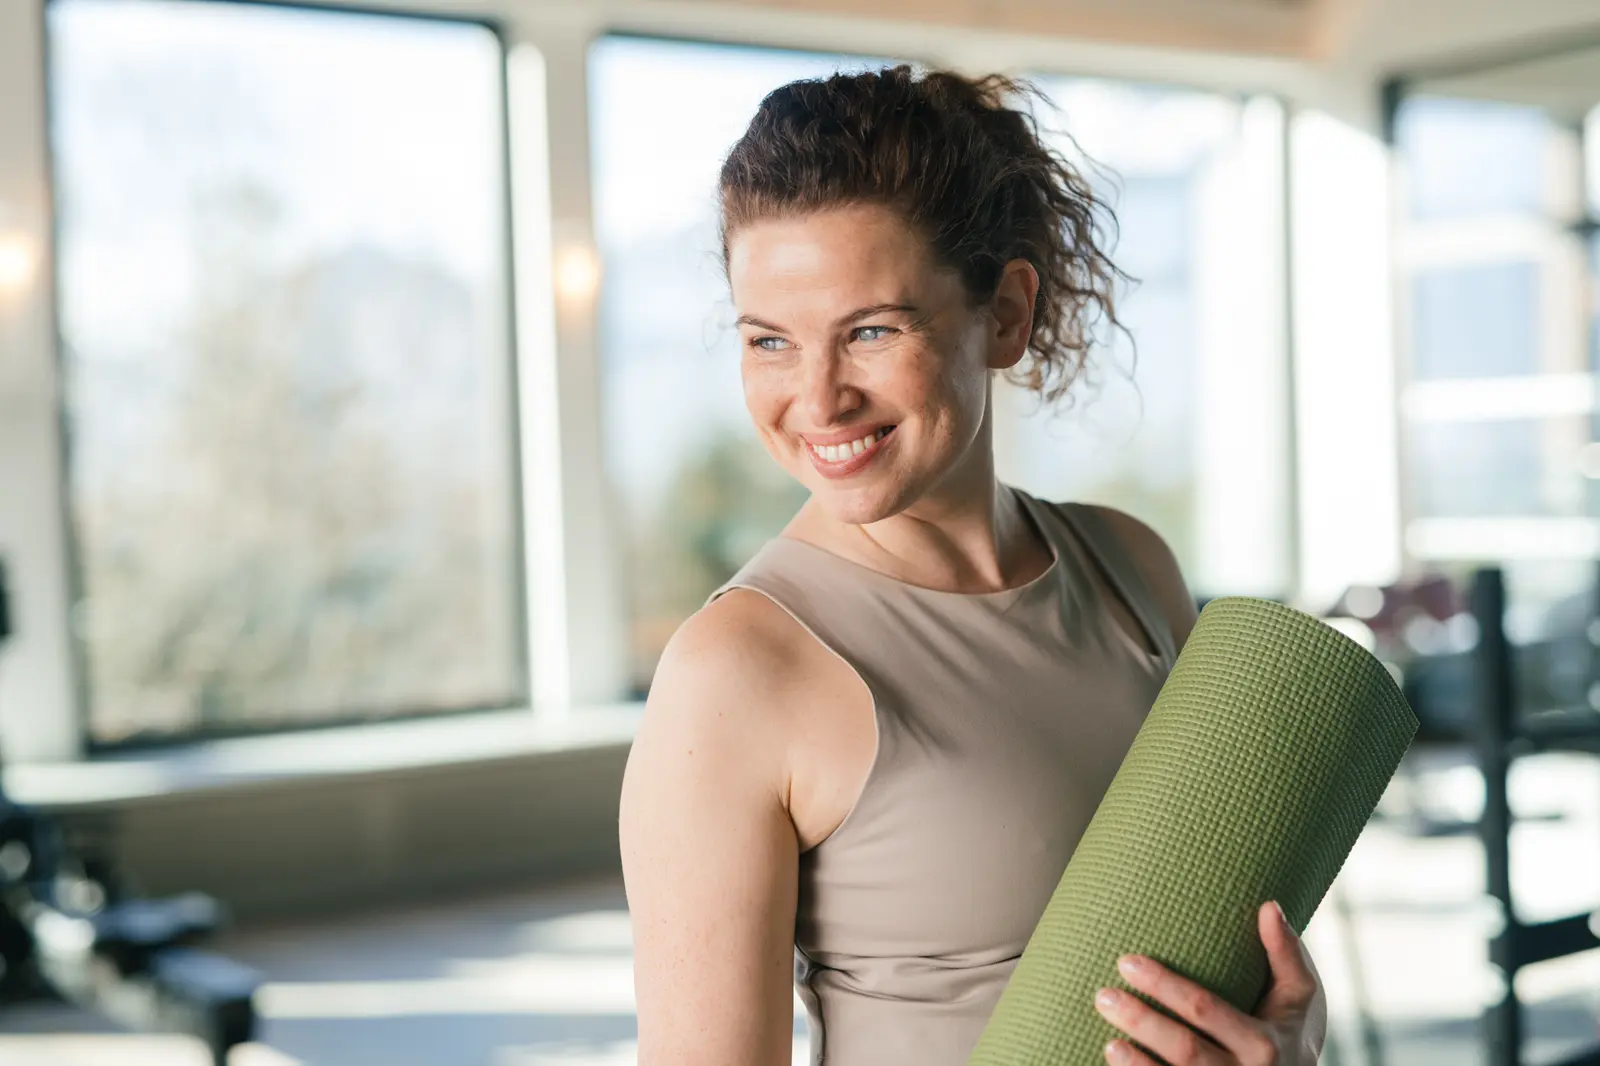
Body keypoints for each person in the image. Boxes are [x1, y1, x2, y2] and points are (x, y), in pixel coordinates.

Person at [619, 65, 1327, 1066]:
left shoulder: (1132, 569)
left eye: (871, 331)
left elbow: (1239, 954)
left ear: (1004, 314)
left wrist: (1285, 1041)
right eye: (770, 341)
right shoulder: (734, 672)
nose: (817, 400)